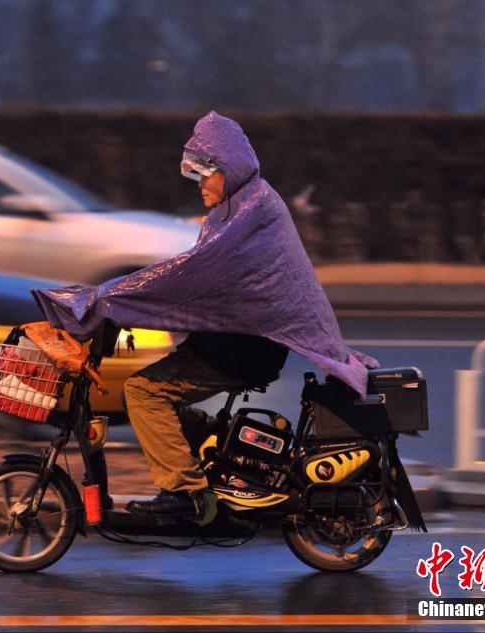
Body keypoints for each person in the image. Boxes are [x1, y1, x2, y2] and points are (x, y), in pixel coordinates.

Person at [32, 112, 378, 519]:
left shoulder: (251, 211)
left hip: (241, 351)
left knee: (144, 393)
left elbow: (193, 275)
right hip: (233, 345)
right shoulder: (243, 205)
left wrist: (109, 297)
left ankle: (184, 493)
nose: (199, 183)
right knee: (159, 395)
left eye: (204, 173)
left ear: (226, 169)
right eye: (194, 174)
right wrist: (120, 302)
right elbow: (195, 276)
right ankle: (221, 463)